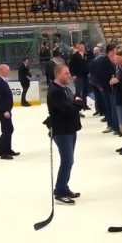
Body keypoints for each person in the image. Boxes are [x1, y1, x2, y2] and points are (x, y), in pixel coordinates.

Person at [46, 63, 85, 205]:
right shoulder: (55, 91)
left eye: (69, 73)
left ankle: (64, 187)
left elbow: (76, 101)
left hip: (70, 129)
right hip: (62, 131)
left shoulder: (66, 89)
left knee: (69, 161)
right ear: (57, 74)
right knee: (67, 161)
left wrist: (76, 103)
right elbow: (69, 108)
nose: (69, 76)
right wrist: (78, 104)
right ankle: (60, 191)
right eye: (66, 73)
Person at [0, 64, 17, 160]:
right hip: (2, 111)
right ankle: (2, 151)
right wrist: (4, 111)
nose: (8, 71)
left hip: (6, 110)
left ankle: (4, 149)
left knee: (6, 129)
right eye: (7, 70)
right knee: (8, 129)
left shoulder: (3, 81)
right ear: (1, 71)